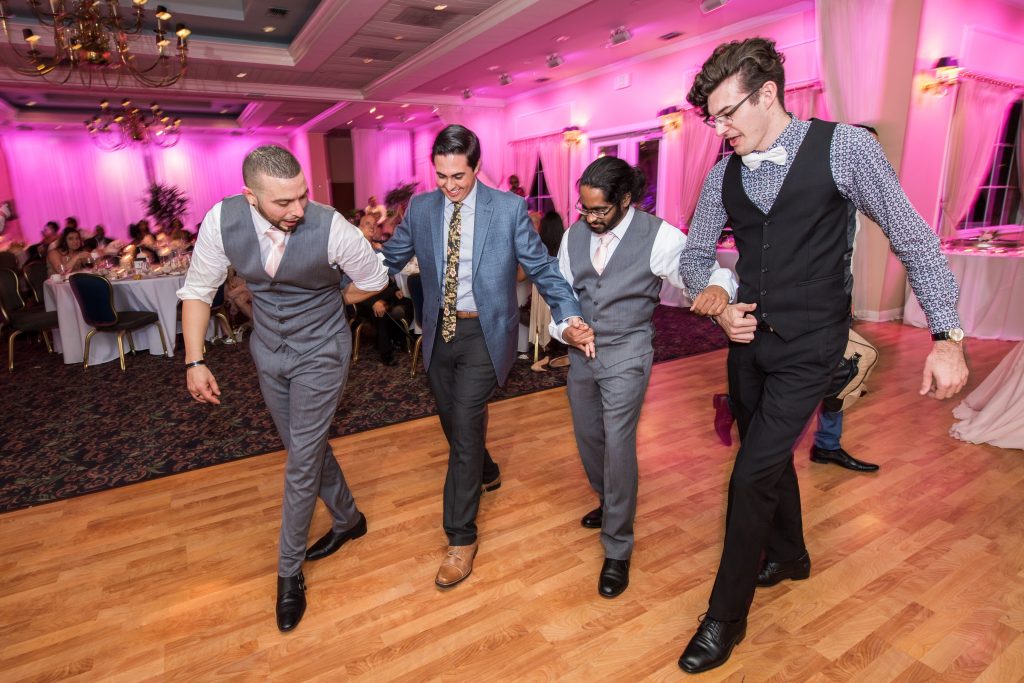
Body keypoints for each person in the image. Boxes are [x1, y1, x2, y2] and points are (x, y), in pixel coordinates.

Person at [677, 37, 968, 673]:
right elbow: (694, 261)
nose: (720, 130)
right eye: (714, 119)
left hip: (812, 345)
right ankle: (792, 555)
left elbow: (915, 240)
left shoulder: (845, 148)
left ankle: (724, 618)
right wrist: (722, 305)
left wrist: (947, 336)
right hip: (748, 345)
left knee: (751, 473)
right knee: (767, 455)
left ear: (768, 94)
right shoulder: (723, 172)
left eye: (728, 114)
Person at [178, 144, 387, 633]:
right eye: (282, 203)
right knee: (303, 446)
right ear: (251, 196)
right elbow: (197, 290)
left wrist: (333, 301)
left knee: (299, 462)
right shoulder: (222, 220)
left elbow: (375, 278)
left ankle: (288, 572)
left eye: (302, 196)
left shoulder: (332, 226)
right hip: (268, 350)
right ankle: (349, 519)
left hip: (322, 352)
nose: (297, 210)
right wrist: (194, 360)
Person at [381, 124, 588, 590]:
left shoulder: (509, 209)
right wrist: (343, 276)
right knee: (453, 424)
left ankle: (460, 537)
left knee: (466, 426)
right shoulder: (422, 207)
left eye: (458, 176)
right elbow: (391, 257)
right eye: (441, 176)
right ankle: (488, 470)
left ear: (476, 167)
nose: (450, 186)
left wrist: (569, 313)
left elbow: (542, 269)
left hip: (484, 333)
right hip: (439, 333)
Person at [552, 156, 737, 598]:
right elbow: (560, 294)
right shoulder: (573, 234)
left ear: (626, 200)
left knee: (618, 443)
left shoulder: (658, 236)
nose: (590, 218)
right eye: (585, 209)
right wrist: (567, 329)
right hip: (582, 355)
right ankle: (609, 499)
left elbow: (708, 272)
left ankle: (617, 546)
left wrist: (717, 289)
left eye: (600, 210)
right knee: (589, 439)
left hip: (628, 353)